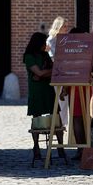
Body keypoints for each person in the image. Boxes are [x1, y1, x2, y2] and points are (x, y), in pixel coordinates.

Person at [23, 32, 65, 162]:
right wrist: (47, 73)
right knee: (36, 119)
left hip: (48, 90)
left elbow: (54, 70)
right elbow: (38, 72)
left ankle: (60, 147)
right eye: (44, 42)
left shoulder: (45, 55)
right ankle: (36, 147)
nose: (45, 45)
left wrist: (45, 74)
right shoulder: (29, 56)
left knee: (56, 117)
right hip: (36, 92)